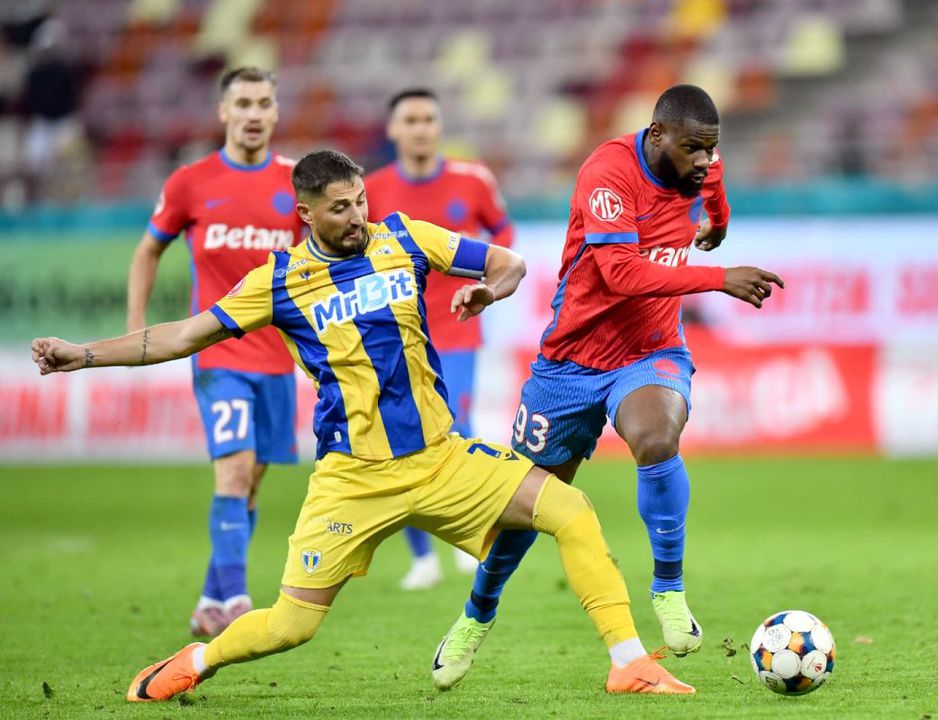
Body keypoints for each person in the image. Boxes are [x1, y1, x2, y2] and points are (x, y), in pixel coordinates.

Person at [33, 149, 697, 699]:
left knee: (571, 510)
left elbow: (509, 262)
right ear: (305, 214)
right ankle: (196, 661)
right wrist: (82, 355)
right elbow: (182, 336)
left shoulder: (403, 237)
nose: (357, 217)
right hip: (353, 478)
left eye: (360, 202)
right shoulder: (280, 281)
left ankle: (628, 663)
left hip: (440, 458)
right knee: (291, 626)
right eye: (340, 208)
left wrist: (487, 290)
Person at [430, 84, 784, 690]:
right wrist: (717, 274)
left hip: (650, 350)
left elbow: (716, 200)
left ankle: (668, 589)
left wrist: (718, 225)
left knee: (656, 437)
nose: (704, 161)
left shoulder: (704, 164)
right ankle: (476, 614)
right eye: (694, 149)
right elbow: (620, 273)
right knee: (527, 505)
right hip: (571, 360)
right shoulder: (608, 175)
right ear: (657, 135)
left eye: (711, 149)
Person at [125, 67, 306, 637]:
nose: (254, 114)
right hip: (218, 354)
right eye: (243, 103)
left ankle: (210, 597)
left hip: (277, 357)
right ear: (223, 111)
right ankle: (236, 602)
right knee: (233, 470)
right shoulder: (191, 182)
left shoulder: (298, 183)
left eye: (264, 103)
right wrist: (135, 327)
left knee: (251, 479)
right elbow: (147, 251)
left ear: (276, 112)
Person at [366, 88, 515, 590]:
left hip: (457, 328)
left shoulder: (473, 181)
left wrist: (484, 279)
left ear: (439, 125)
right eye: (410, 120)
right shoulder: (372, 190)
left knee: (457, 428)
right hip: (395, 333)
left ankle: (470, 535)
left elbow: (503, 234)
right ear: (393, 129)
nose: (421, 128)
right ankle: (422, 557)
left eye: (428, 119)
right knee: (402, 436)